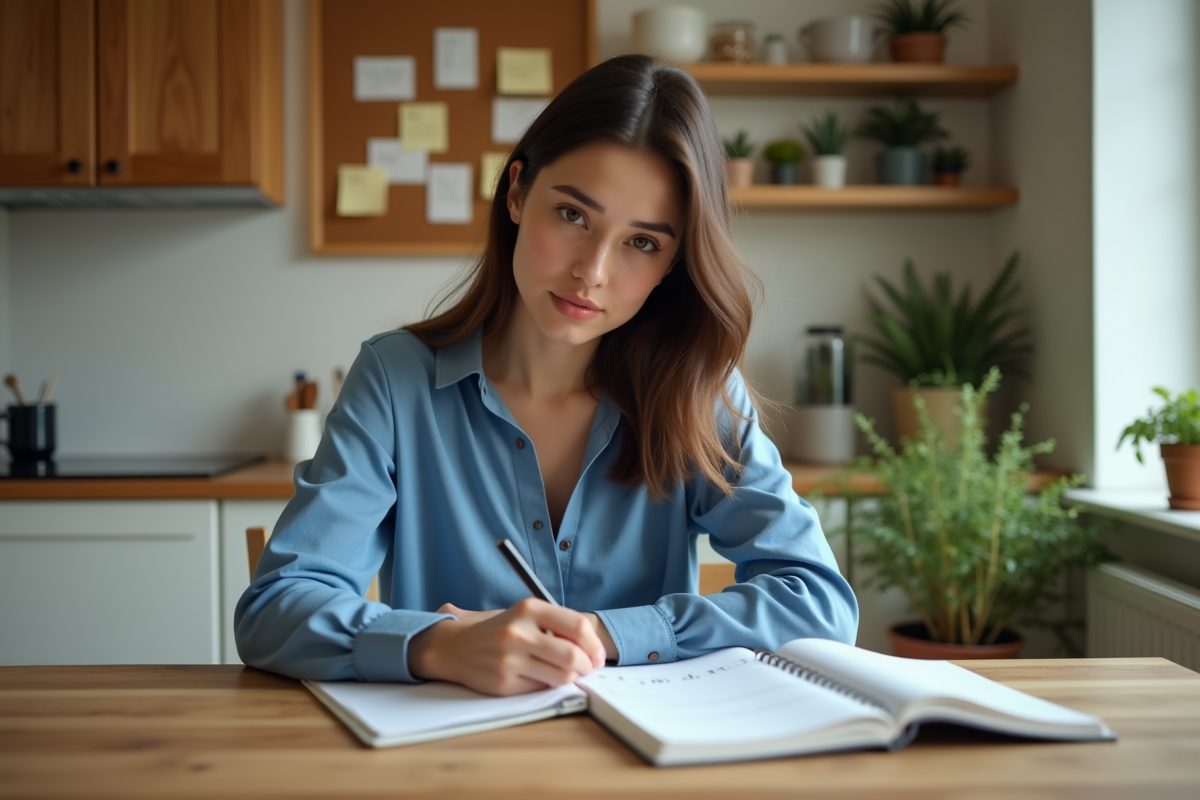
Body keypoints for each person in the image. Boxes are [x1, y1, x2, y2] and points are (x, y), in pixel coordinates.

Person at [235, 54, 857, 697]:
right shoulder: (396, 381)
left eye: (642, 242)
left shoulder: (699, 390)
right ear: (516, 192)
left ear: (673, 263)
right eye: (573, 216)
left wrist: (608, 634)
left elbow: (818, 604)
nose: (592, 271)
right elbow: (275, 609)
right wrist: (438, 645)